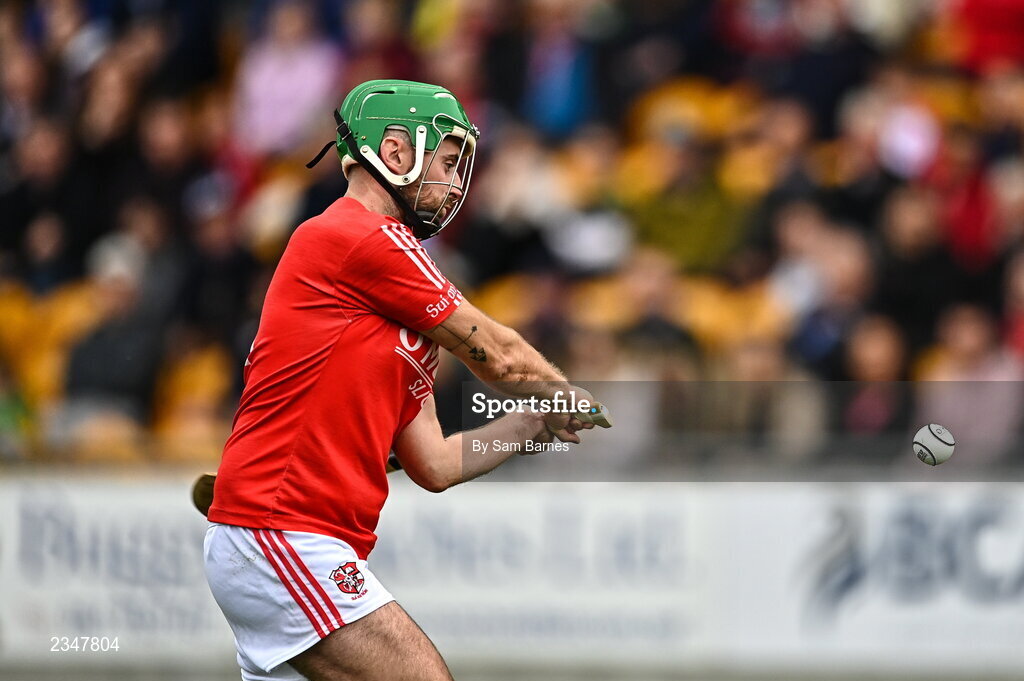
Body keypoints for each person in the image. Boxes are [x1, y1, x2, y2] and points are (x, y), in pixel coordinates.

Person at [203, 79, 603, 681]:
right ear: (394, 152)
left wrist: (532, 424)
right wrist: (566, 392)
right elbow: (498, 354)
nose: (455, 182)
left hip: (294, 541)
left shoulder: (404, 321)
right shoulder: (351, 237)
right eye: (445, 161)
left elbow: (435, 464)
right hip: (284, 532)